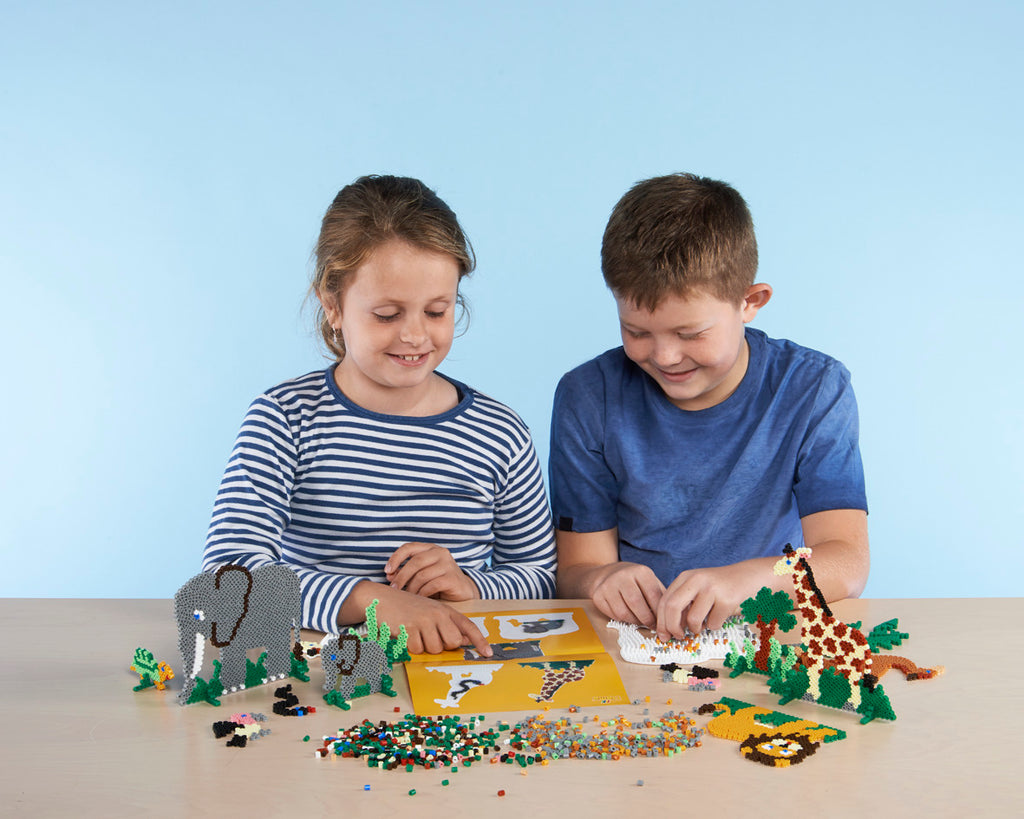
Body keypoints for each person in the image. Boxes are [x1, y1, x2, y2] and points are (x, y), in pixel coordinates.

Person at [203, 175, 556, 655]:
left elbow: (540, 578)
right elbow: (229, 574)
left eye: (437, 311)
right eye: (388, 314)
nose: (414, 336)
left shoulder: (500, 432)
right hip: (324, 678)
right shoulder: (285, 418)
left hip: (458, 672)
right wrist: (370, 600)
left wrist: (470, 585)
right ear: (333, 306)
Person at [550, 172, 869, 641]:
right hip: (635, 639)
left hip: (764, 632)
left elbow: (846, 559)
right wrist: (601, 579)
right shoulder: (587, 396)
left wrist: (751, 580)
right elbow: (577, 568)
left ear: (750, 302)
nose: (664, 356)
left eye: (690, 334)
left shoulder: (814, 388)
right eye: (636, 332)